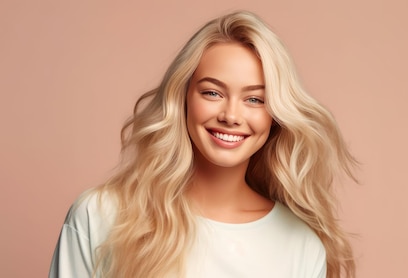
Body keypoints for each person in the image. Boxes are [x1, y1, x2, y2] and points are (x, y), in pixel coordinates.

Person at [49, 10, 357, 278]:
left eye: (254, 99)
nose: (231, 115)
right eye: (213, 93)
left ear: (275, 116)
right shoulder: (100, 215)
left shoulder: (300, 246)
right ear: (183, 98)